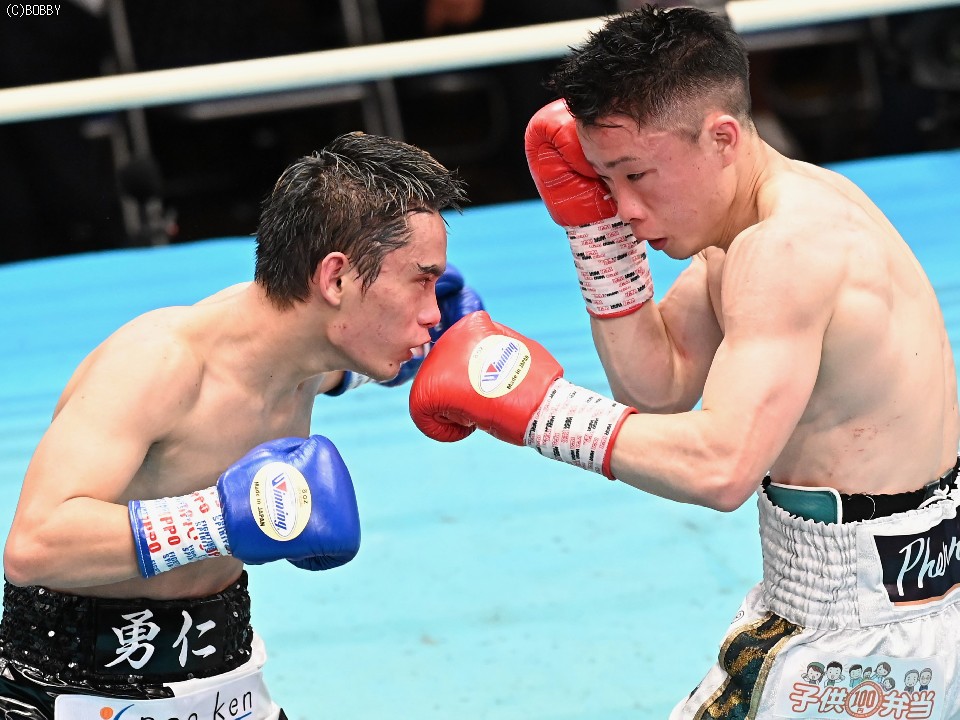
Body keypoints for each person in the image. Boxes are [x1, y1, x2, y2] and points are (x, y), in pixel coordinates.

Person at [407, 5, 960, 718]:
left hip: (853, 635)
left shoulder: (784, 250)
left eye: (636, 174)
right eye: (606, 182)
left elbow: (721, 467)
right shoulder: (779, 212)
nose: (626, 207)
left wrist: (539, 411)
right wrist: (597, 238)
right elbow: (657, 384)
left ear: (721, 136)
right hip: (908, 597)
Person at [0, 131, 482, 719]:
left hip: (225, 677)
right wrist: (217, 521)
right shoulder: (158, 365)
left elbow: (337, 372)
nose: (433, 309)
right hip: (69, 689)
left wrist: (421, 354)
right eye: (420, 281)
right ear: (335, 279)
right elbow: (35, 544)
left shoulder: (301, 352)